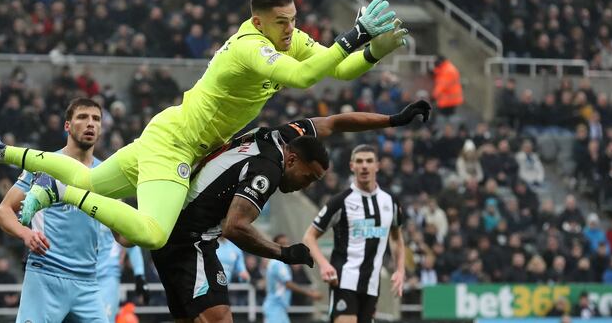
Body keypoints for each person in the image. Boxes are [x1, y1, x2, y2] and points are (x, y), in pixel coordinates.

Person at [0, 0, 408, 249]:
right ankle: (56, 192)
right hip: (179, 146)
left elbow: (334, 64)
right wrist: (354, 33)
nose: (293, 29)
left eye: (294, 19)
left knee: (93, 183)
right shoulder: (250, 50)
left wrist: (373, 50)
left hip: (168, 128)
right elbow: (308, 78)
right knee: (151, 234)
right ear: (259, 21)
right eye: (283, 22)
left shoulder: (287, 38)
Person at [149, 100, 430, 322]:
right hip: (191, 242)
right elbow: (234, 227)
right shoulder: (268, 170)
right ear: (292, 159)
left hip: (174, 234)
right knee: (220, 318)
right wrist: (284, 253)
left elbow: (336, 122)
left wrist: (394, 120)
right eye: (307, 178)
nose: (304, 186)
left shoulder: (288, 135)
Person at [0, 97, 108, 322]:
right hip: (46, 274)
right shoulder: (43, 163)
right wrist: (26, 234)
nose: (90, 124)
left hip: (88, 282)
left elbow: (122, 236)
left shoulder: (106, 173)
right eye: (83, 117)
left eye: (96, 119)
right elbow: (3, 211)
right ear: (67, 126)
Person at [303, 144, 407, 323]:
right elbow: (309, 237)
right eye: (359, 161)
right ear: (352, 166)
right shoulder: (340, 202)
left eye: (369, 161)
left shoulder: (390, 202)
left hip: (372, 285)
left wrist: (400, 269)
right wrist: (324, 265)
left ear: (377, 165)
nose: (364, 166)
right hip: (344, 280)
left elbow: (397, 238)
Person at [263, 234, 322, 323]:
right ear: (274, 245)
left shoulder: (280, 262)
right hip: (275, 308)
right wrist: (311, 294)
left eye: (287, 243)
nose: (286, 246)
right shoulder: (277, 263)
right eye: (282, 244)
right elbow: (288, 284)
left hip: (279, 308)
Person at [97, 224, 149, 322]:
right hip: (79, 274)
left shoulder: (115, 210)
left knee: (104, 319)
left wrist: (139, 275)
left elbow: (130, 242)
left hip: (108, 276)